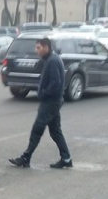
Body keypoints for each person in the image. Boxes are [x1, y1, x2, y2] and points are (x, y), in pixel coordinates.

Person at [9, 37, 73, 169]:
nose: (36, 50)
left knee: (37, 129)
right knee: (55, 131)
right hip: (53, 101)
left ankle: (26, 158)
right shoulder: (51, 59)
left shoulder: (53, 61)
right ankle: (66, 158)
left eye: (38, 48)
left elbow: (56, 84)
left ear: (46, 47)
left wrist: (43, 93)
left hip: (50, 102)